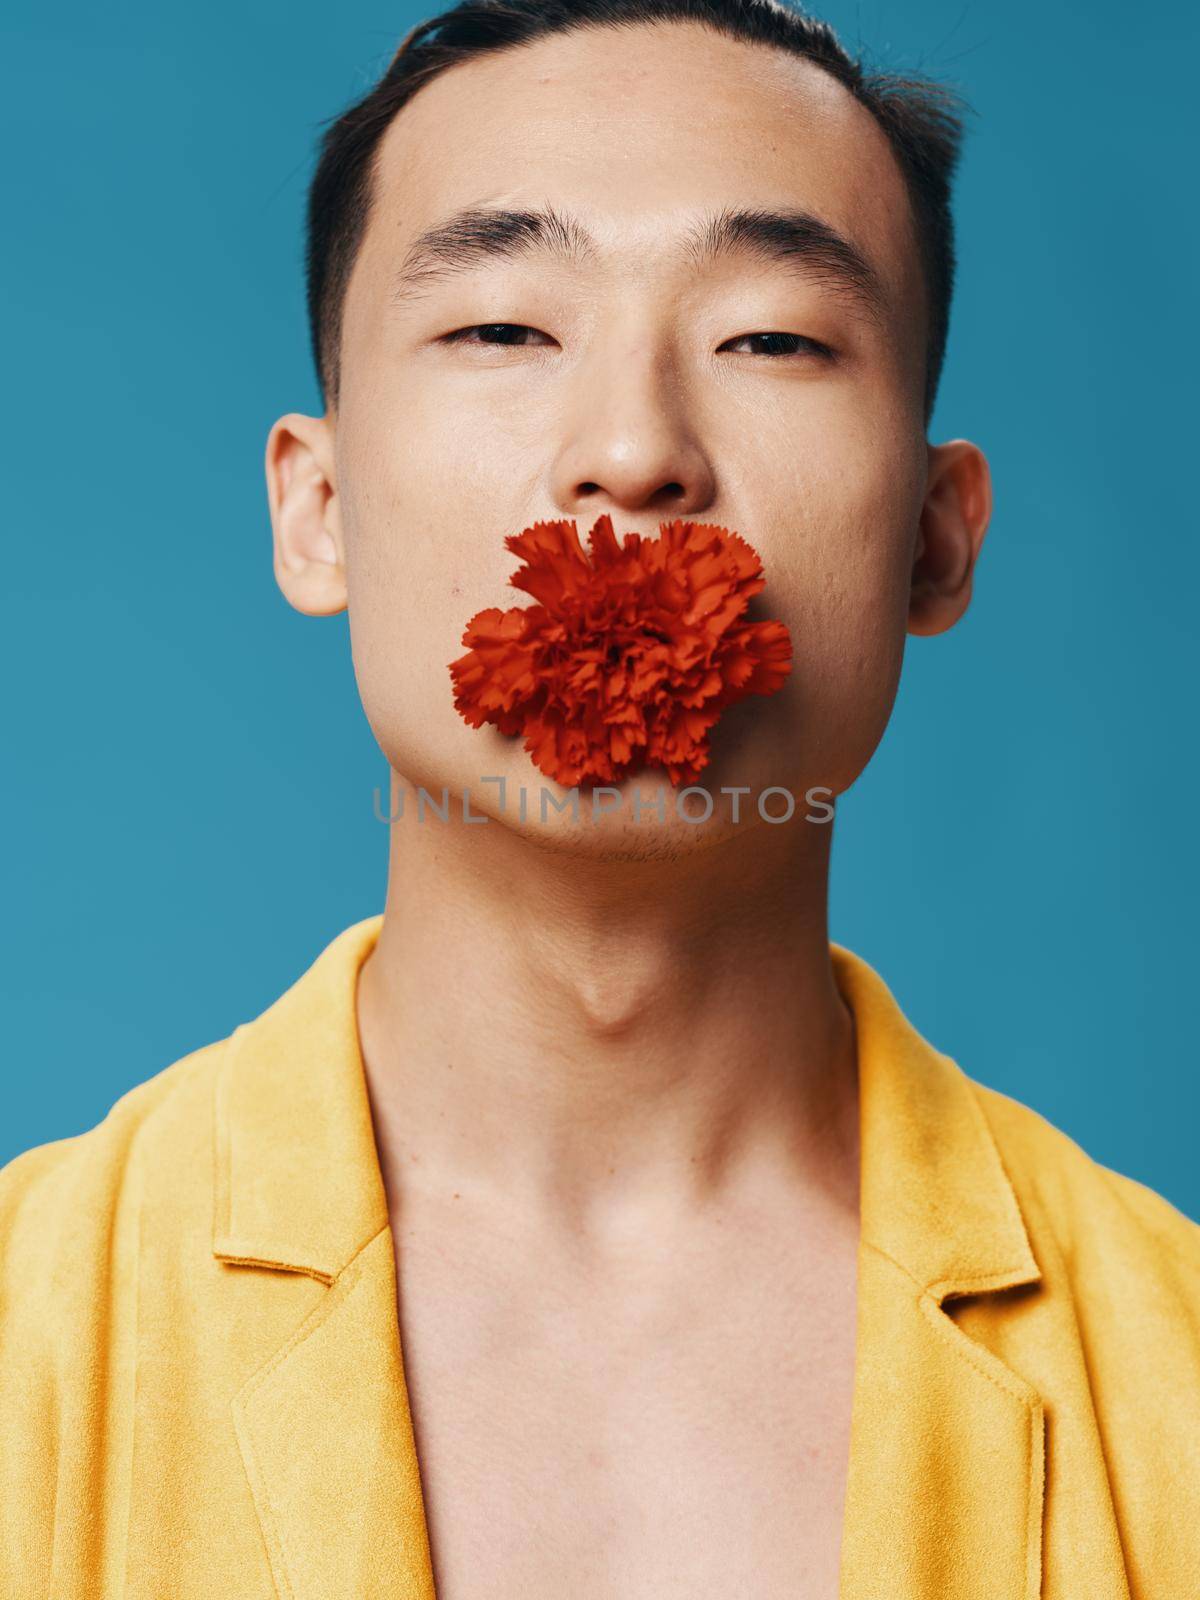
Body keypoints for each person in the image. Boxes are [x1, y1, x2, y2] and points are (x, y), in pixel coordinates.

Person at [3, 1, 1198, 1595]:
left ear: (936, 535)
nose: (634, 455)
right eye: (502, 329)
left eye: (770, 336)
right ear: (319, 510)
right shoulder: (32, 1322)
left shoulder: (1172, 1364)